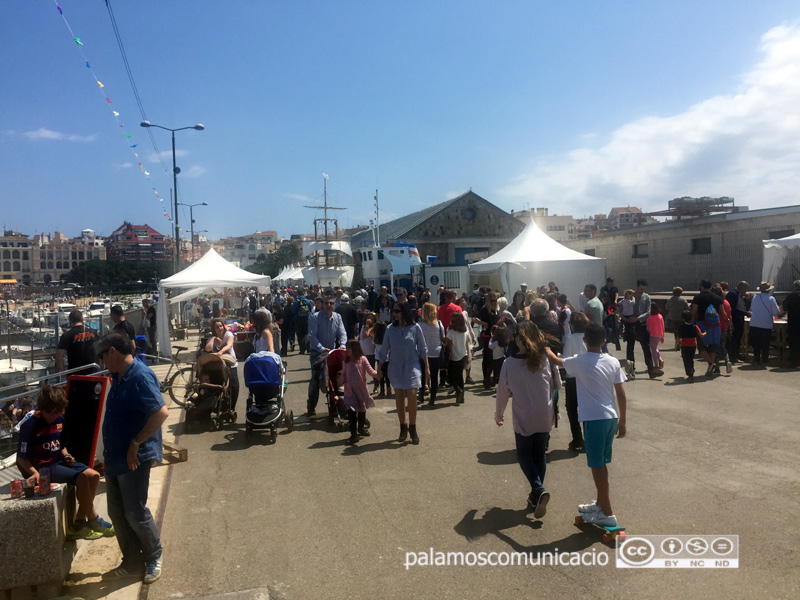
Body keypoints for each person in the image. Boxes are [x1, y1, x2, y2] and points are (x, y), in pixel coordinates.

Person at [96, 332, 168, 584]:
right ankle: (131, 562)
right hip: (115, 457)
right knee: (117, 512)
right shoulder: (118, 376)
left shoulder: (139, 376)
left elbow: (160, 413)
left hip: (133, 458)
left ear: (113, 352)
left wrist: (136, 443)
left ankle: (154, 556)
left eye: (103, 355)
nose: (102, 361)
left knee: (135, 512)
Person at [545, 322, 627, 528]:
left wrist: (544, 346)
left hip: (594, 419)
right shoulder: (612, 361)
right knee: (602, 463)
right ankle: (600, 504)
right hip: (610, 417)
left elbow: (556, 360)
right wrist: (623, 421)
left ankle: (607, 512)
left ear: (584, 340)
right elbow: (621, 393)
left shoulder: (580, 360)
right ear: (604, 341)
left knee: (597, 466)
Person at [17, 385, 113, 540]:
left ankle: (79, 522)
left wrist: (67, 455)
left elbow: (61, 445)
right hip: (44, 467)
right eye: (50, 412)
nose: (53, 416)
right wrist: (34, 473)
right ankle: (94, 520)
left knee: (94, 475)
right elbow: (21, 458)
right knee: (82, 477)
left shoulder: (60, 420)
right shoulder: (30, 426)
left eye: (57, 412)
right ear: (42, 408)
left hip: (59, 460)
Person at [495, 321, 561, 518]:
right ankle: (535, 496)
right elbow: (558, 383)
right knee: (539, 454)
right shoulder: (545, 358)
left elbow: (502, 394)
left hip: (524, 416)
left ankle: (538, 489)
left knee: (524, 455)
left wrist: (499, 415)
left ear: (518, 339)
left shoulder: (509, 364)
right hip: (545, 414)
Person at [376, 301, 428, 444]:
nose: (395, 313)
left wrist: (427, 368)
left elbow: (423, 349)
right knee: (399, 396)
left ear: (405, 312)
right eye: (394, 310)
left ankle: (413, 427)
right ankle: (403, 427)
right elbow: (384, 351)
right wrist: (378, 369)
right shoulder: (390, 329)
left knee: (412, 394)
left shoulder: (415, 328)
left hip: (412, 365)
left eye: (397, 311)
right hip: (395, 366)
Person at [306, 296, 347, 416]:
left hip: (333, 352)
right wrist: (321, 348)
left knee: (336, 376)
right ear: (323, 305)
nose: (329, 305)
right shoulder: (315, 317)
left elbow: (342, 333)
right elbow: (312, 336)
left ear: (334, 305)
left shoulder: (338, 317)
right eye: (327, 303)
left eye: (331, 303)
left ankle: (340, 403)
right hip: (317, 353)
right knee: (315, 379)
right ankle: (311, 405)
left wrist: (343, 345)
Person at [338, 340, 380, 445]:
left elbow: (370, 371)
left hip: (361, 391)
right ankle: (354, 435)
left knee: (362, 411)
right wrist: (341, 379)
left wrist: (377, 374)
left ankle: (361, 428)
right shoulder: (345, 362)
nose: (347, 350)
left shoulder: (363, 360)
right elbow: (343, 374)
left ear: (356, 349)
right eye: (347, 347)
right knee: (352, 414)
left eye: (350, 348)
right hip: (349, 392)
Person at [560, 312, 589, 452]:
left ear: (572, 325)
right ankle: (588, 438)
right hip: (586, 379)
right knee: (586, 409)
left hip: (572, 379)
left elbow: (565, 359)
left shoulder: (570, 339)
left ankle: (577, 438)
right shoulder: (588, 339)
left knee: (572, 409)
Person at [690, 279, 730, 375]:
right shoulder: (717, 298)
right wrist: (727, 321)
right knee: (713, 347)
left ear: (702, 287)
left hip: (702, 324)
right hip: (715, 326)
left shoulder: (698, 297)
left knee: (701, 347)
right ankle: (710, 369)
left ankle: (711, 364)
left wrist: (690, 322)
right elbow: (723, 313)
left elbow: (694, 312)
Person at [625, 280, 663, 379]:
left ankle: (651, 370)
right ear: (637, 287)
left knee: (646, 347)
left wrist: (638, 318)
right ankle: (631, 370)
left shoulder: (646, 297)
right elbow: (622, 309)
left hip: (641, 324)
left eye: (644, 289)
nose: (642, 291)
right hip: (629, 324)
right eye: (641, 289)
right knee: (630, 347)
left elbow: (648, 312)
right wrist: (627, 319)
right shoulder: (629, 295)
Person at [204, 319, 241, 413]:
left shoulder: (228, 334)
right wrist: (213, 338)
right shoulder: (212, 338)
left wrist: (220, 351)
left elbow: (229, 345)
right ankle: (221, 406)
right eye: (217, 327)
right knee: (220, 387)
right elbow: (208, 349)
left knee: (234, 386)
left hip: (231, 364)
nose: (219, 328)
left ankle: (231, 407)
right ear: (213, 329)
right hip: (218, 366)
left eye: (221, 326)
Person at [749, 281, 782, 366]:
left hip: (754, 322)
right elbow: (776, 312)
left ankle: (756, 358)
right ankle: (765, 359)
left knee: (756, 342)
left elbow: (752, 309)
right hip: (766, 323)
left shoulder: (755, 298)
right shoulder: (771, 299)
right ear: (768, 290)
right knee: (765, 343)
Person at [417, 302, 444, 407]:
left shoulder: (420, 325)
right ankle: (432, 399)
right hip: (436, 352)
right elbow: (443, 337)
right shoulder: (439, 324)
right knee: (434, 376)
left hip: (423, 353)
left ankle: (421, 394)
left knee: (423, 375)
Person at [56, 309, 98, 373]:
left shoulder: (66, 335)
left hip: (75, 375)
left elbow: (59, 356)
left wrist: (63, 372)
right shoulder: (94, 333)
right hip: (93, 372)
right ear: (82, 320)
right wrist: (98, 367)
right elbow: (101, 352)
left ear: (70, 321)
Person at [473, 291, 500, 389]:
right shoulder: (484, 310)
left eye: (495, 300)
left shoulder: (496, 310)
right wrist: (483, 324)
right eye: (491, 300)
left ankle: (493, 378)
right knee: (488, 358)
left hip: (496, 336)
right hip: (488, 336)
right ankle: (486, 379)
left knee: (495, 358)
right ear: (488, 300)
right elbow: (475, 318)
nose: (493, 302)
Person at [445, 312, 470, 404]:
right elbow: (466, 342)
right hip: (463, 355)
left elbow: (449, 346)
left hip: (454, 357)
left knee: (450, 377)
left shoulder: (450, 332)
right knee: (460, 377)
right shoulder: (464, 330)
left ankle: (458, 390)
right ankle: (461, 396)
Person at [726, 281, 750, 363]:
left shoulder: (739, 294)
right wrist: (744, 313)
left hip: (739, 319)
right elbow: (732, 309)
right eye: (746, 288)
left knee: (738, 338)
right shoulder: (733, 294)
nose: (746, 291)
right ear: (742, 287)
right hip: (735, 319)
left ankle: (736, 354)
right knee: (734, 338)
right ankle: (733, 357)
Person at [678, 310, 705, 383]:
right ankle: (691, 372)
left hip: (685, 345)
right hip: (693, 345)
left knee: (686, 360)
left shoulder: (681, 326)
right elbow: (701, 335)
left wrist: (677, 345)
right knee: (691, 359)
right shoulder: (694, 326)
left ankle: (690, 374)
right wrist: (706, 332)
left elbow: (678, 337)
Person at [665, 287, 690, 351]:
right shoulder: (683, 300)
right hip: (681, 317)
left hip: (672, 317)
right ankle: (680, 342)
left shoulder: (670, 300)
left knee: (675, 331)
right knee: (681, 331)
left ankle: (677, 342)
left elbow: (666, 308)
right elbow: (687, 308)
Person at [783, 280, 800, 370]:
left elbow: (785, 307)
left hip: (793, 322)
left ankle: (794, 361)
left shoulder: (790, 296)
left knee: (794, 343)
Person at [646, 303, 665, 370]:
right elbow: (662, 326)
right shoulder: (660, 316)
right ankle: (659, 360)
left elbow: (647, 326)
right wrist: (662, 336)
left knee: (653, 350)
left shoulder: (648, 317)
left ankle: (656, 364)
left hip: (651, 334)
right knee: (655, 348)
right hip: (658, 334)